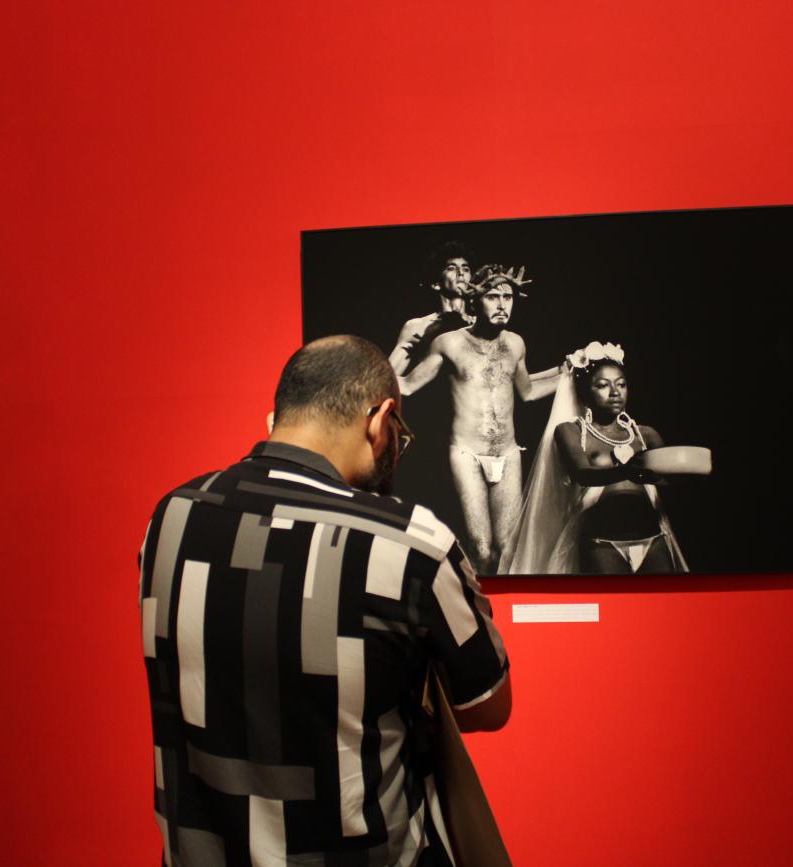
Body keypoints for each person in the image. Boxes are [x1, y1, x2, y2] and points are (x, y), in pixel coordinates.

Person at [138, 335, 511, 867]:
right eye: (398, 435)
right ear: (379, 419)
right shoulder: (410, 541)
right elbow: (486, 705)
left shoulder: (170, 518)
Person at [398, 264, 563, 575]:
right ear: (474, 301)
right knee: (481, 548)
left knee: (506, 548)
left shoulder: (515, 343)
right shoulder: (449, 343)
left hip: (508, 453)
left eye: (508, 297)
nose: (502, 305)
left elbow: (527, 392)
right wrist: (362, 372)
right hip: (467, 453)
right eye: (492, 296)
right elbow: (407, 385)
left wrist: (567, 373)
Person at [502, 341, 707, 575]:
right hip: (602, 546)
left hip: (654, 540)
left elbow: (668, 480)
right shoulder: (571, 432)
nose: (615, 392)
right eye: (602, 385)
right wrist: (629, 470)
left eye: (621, 384)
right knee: (610, 599)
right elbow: (583, 474)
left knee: (663, 598)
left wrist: (689, 473)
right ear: (584, 392)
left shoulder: (646, 434)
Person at [389, 241, 475, 376]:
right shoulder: (417, 327)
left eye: (466, 269)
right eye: (451, 268)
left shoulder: (479, 324)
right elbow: (388, 378)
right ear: (436, 284)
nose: (460, 273)